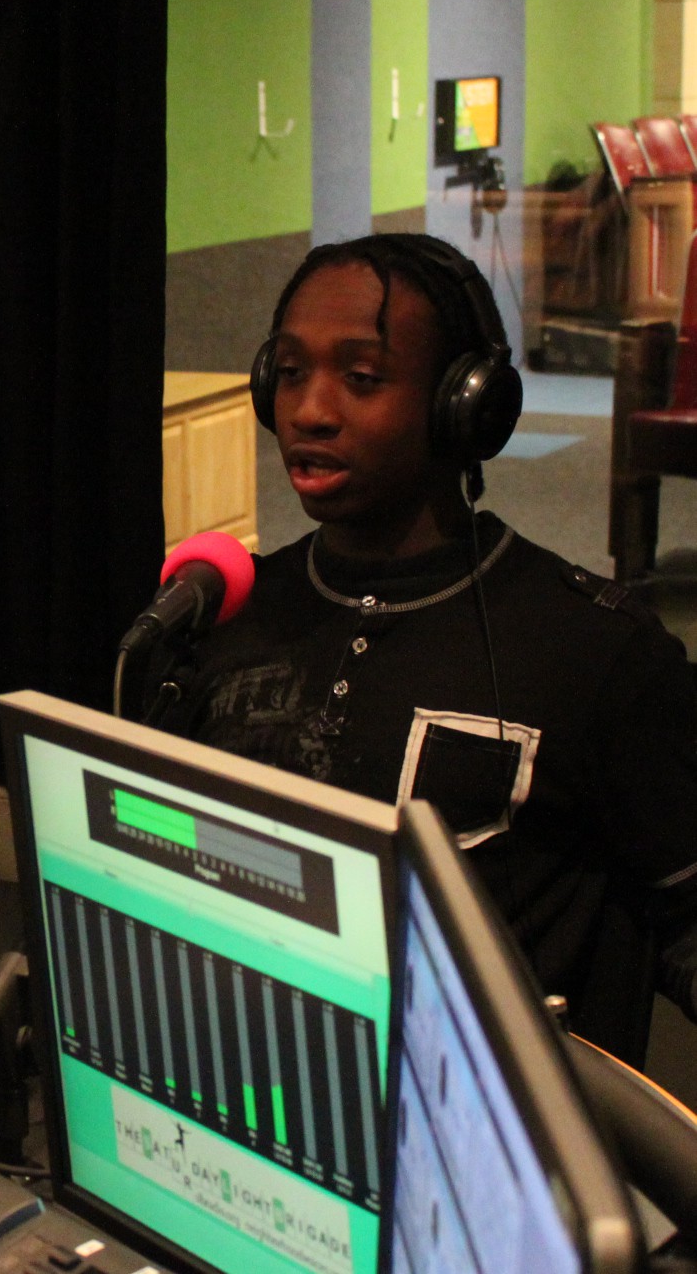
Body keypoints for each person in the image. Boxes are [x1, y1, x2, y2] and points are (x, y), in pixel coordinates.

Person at [161, 232, 697, 1064]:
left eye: (362, 378)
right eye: (292, 371)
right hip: (249, 1090)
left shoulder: (599, 653)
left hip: (472, 1142)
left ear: (467, 405)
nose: (310, 410)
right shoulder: (226, 615)